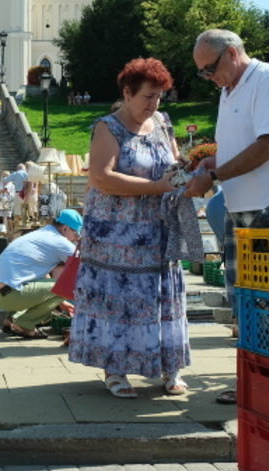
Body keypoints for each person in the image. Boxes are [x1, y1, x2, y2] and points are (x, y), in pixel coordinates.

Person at [69, 58, 198, 399]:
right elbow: (102, 177)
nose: (153, 105)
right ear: (127, 93)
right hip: (115, 235)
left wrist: (187, 170)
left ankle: (170, 369)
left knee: (162, 298)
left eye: (158, 97)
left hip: (157, 232)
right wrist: (157, 187)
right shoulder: (107, 127)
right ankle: (115, 369)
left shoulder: (162, 124)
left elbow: (172, 163)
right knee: (120, 301)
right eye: (147, 97)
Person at [185, 30, 269, 305]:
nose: (208, 77)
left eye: (210, 68)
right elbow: (244, 146)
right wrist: (214, 161)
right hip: (239, 210)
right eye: (202, 72)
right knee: (244, 308)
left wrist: (214, 175)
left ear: (232, 53)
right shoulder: (227, 90)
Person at [0, 209, 82, 338]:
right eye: (76, 234)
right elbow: (86, 266)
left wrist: (59, 302)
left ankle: (10, 320)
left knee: (43, 285)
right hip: (10, 295)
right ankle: (25, 324)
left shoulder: (39, 234)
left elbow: (41, 277)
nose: (76, 239)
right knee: (68, 287)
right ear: (65, 229)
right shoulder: (60, 242)